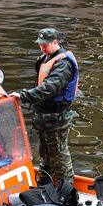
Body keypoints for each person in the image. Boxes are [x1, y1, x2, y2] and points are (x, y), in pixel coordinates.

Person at [10, 28, 79, 186]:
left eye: (45, 45)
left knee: (60, 156)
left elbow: (49, 87)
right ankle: (45, 185)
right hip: (44, 116)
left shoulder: (63, 64)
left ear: (55, 42)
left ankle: (66, 191)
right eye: (40, 44)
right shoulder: (46, 58)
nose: (42, 48)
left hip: (56, 117)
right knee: (46, 155)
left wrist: (24, 95)